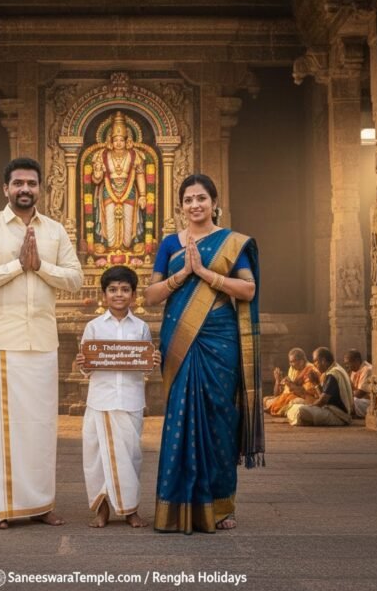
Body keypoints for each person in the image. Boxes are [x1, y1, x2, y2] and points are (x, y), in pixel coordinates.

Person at [0, 157, 83, 530]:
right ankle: (0, 507)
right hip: (1, 341)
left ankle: (40, 504)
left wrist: (40, 266)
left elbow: (75, 279)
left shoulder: (55, 232)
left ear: (41, 189)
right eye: (18, 184)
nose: (25, 189)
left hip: (42, 342)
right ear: (6, 189)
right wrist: (16, 266)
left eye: (31, 183)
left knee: (41, 427)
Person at [144, 173, 263, 534]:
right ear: (181, 207)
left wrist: (205, 273)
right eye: (188, 200)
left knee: (219, 418)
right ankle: (175, 506)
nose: (195, 205)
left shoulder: (232, 243)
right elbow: (151, 296)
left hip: (220, 340)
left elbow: (248, 289)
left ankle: (220, 504)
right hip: (180, 338)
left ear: (214, 202)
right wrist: (182, 274)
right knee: (179, 418)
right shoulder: (168, 244)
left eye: (201, 198)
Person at [76, 266, 161, 529]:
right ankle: (102, 510)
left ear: (133, 295)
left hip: (131, 400)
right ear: (104, 295)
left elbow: (144, 365)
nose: (119, 294)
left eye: (125, 289)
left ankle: (130, 509)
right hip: (100, 401)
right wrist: (82, 361)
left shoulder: (141, 327)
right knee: (97, 458)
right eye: (113, 290)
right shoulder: (93, 327)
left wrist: (152, 361)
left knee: (132, 456)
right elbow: (86, 365)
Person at [91, 111, 147, 251]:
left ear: (127, 139)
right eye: (115, 140)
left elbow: (140, 175)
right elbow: (96, 180)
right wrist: (97, 173)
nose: (118, 143)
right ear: (110, 140)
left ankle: (126, 247)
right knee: (109, 226)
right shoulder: (102, 155)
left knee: (128, 236)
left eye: (121, 140)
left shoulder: (134, 155)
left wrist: (143, 195)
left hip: (129, 192)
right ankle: (111, 248)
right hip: (108, 192)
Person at [287, 347, 353, 426]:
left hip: (338, 415)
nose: (314, 364)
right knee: (295, 405)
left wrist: (311, 407)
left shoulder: (333, 374)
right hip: (332, 410)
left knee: (300, 410)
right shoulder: (336, 369)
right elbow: (322, 396)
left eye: (315, 361)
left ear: (323, 361)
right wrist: (316, 383)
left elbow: (322, 401)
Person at [263, 348, 320, 417]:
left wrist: (290, 385)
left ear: (301, 361)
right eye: (290, 362)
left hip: (304, 398)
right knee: (265, 400)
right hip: (288, 396)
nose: (291, 364)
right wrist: (277, 381)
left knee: (288, 401)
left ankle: (276, 408)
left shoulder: (310, 370)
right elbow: (277, 394)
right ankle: (275, 407)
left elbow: (306, 393)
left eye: (292, 362)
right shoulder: (292, 369)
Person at [343, 349, 372, 418]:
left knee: (353, 401)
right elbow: (351, 390)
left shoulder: (367, 369)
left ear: (357, 361)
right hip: (359, 400)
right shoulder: (354, 371)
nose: (346, 366)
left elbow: (360, 393)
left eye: (348, 363)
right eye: (345, 364)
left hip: (369, 402)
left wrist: (344, 398)